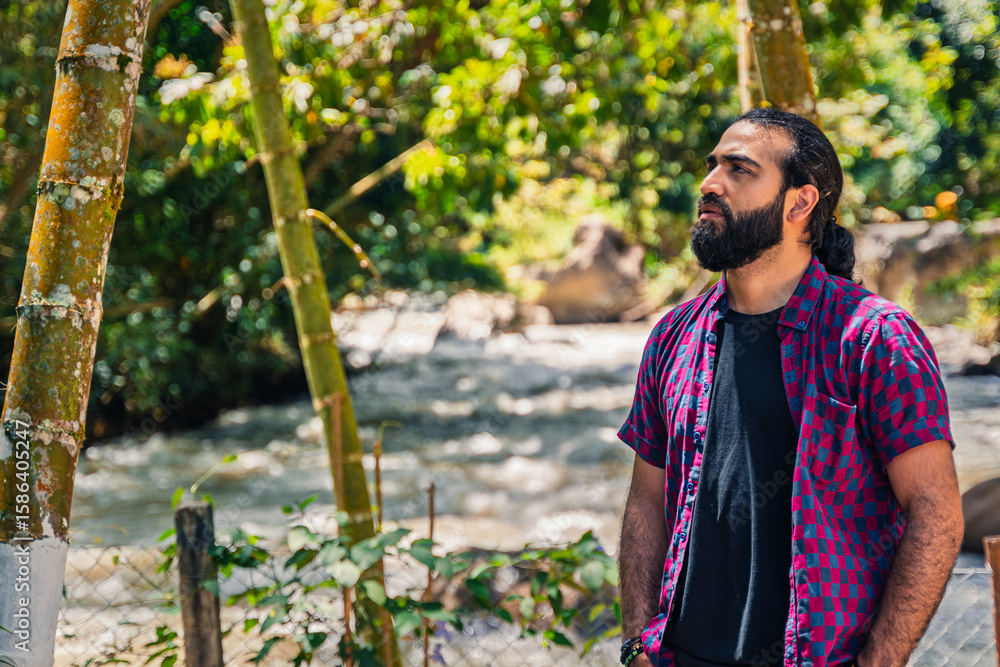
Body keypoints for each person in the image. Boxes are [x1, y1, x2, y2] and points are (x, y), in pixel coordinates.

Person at [616, 107, 964, 667]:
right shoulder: (673, 336)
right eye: (712, 166)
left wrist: (878, 663)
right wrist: (637, 644)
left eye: (739, 169)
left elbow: (935, 513)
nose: (710, 183)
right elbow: (645, 501)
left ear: (800, 203)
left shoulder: (873, 338)